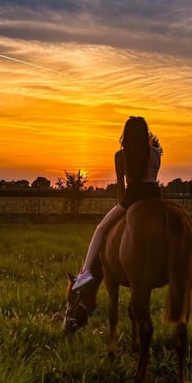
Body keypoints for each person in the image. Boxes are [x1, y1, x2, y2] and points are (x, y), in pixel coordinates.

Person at [71, 116, 163, 290]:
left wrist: (122, 205)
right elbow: (154, 177)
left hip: (132, 200)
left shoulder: (120, 156)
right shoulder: (155, 154)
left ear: (126, 135)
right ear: (145, 133)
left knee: (101, 228)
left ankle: (85, 273)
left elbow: (121, 188)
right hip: (155, 199)